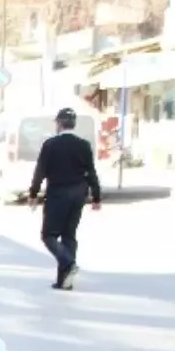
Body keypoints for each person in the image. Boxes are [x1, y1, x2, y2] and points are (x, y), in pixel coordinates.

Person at [28, 107, 102, 290]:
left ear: (60, 124)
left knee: (49, 235)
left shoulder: (50, 145)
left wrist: (33, 193)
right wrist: (96, 196)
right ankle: (64, 281)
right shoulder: (83, 145)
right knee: (69, 235)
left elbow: (40, 171)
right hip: (79, 193)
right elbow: (91, 172)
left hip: (58, 193)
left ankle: (68, 263)